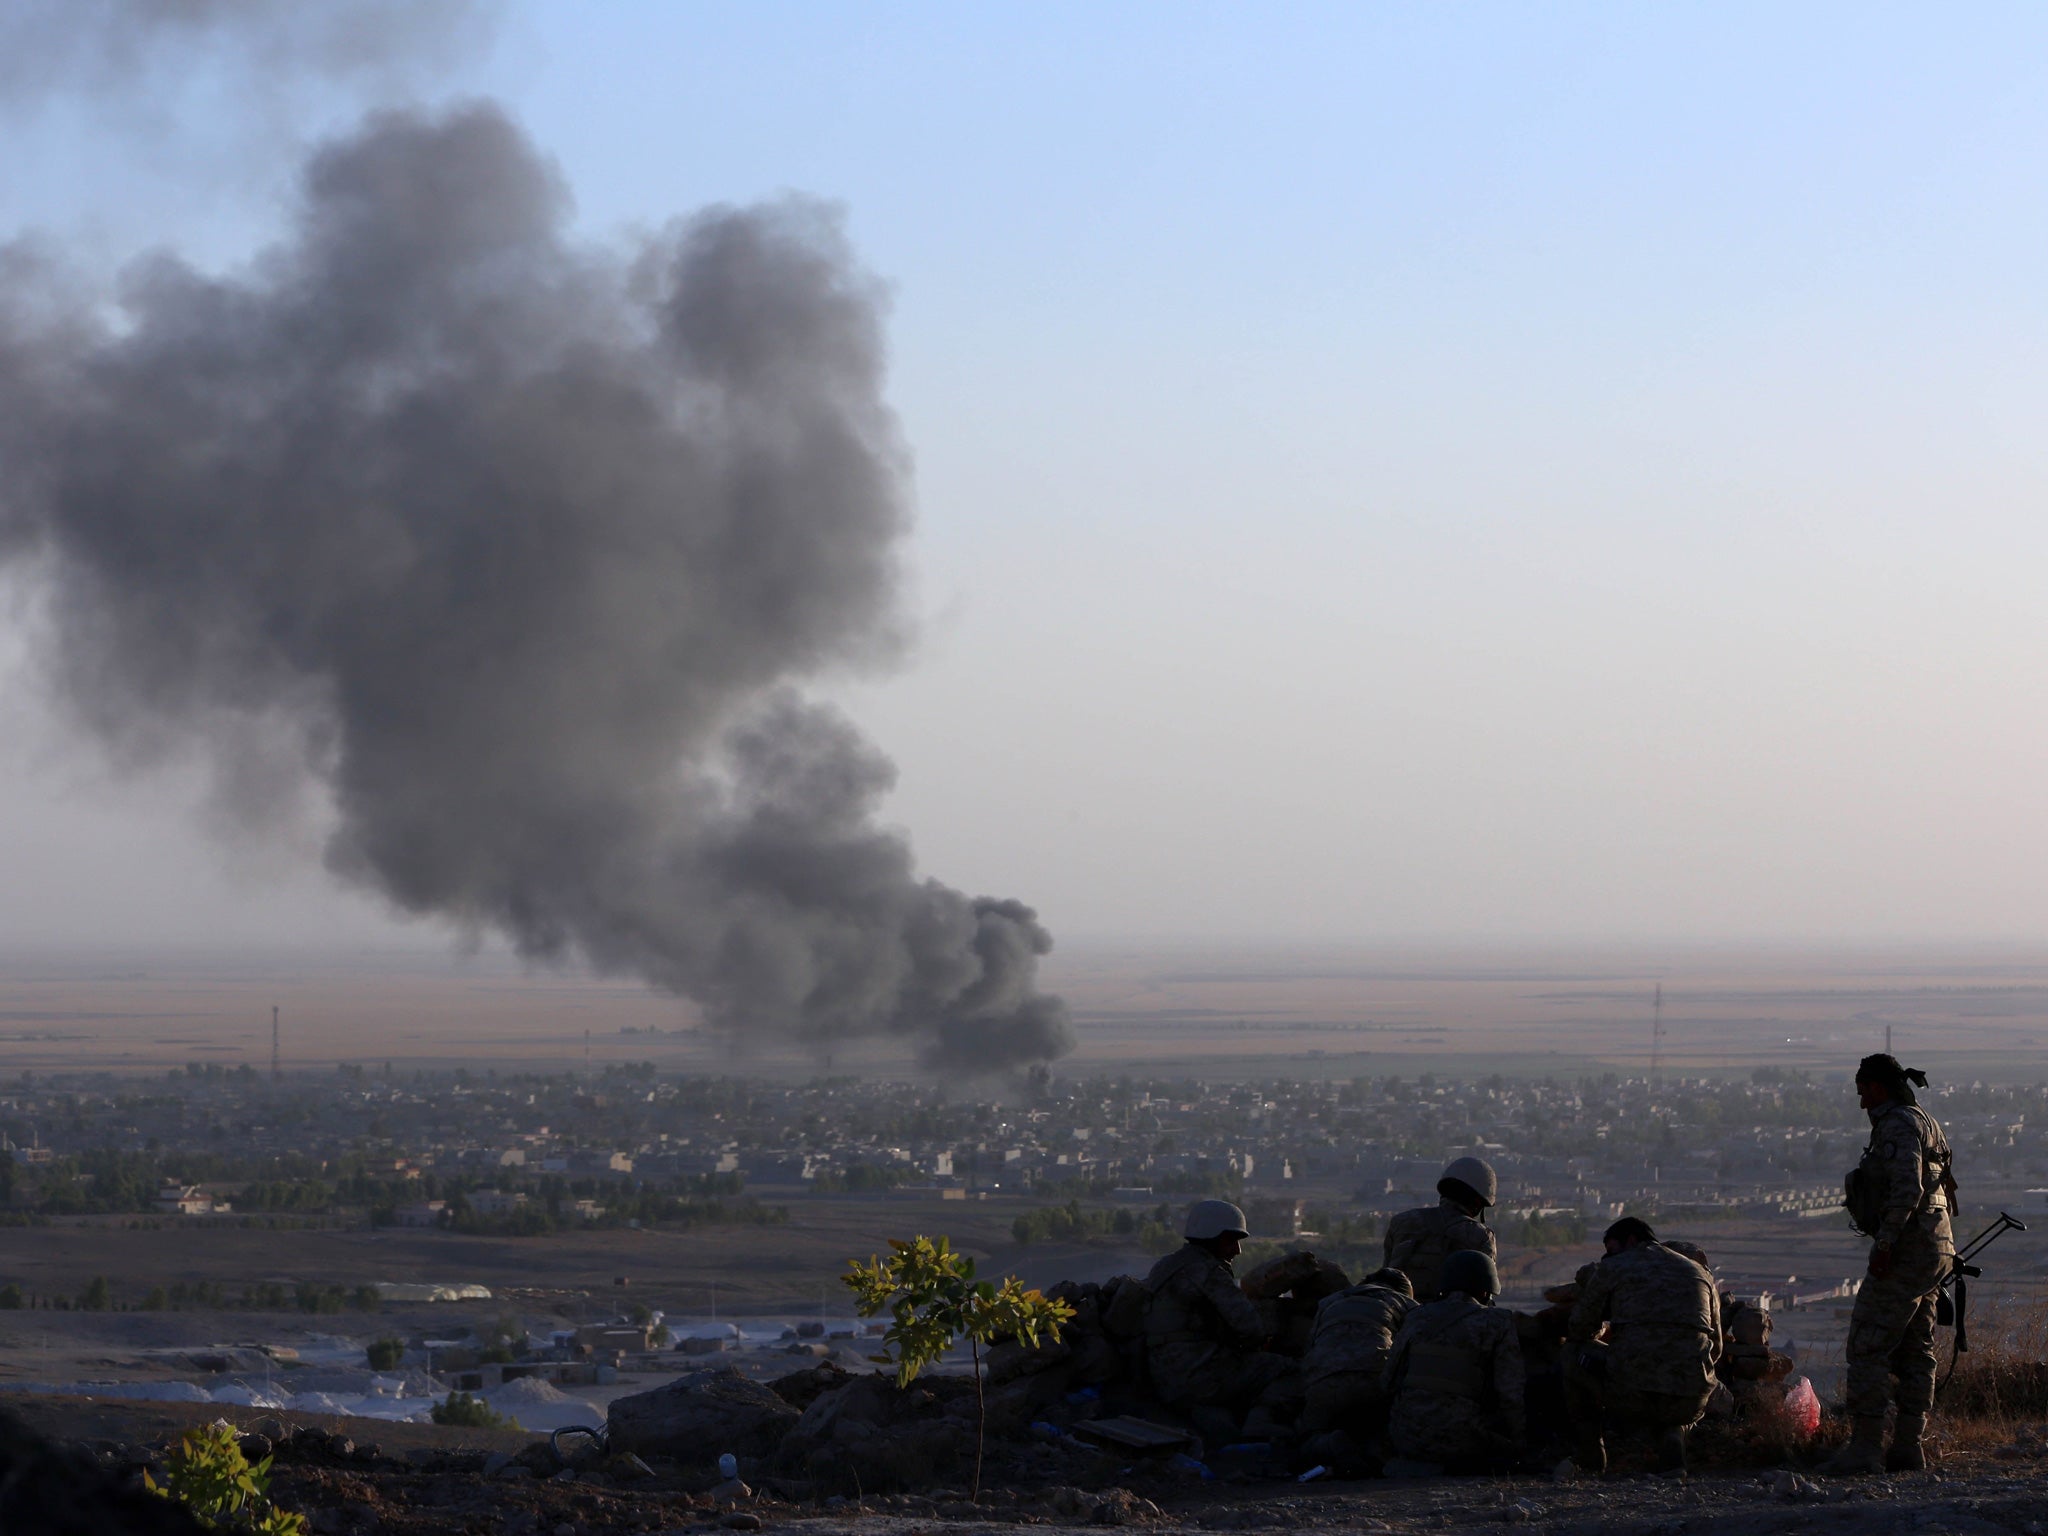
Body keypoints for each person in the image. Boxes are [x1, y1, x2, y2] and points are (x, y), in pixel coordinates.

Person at [1824, 1054, 1955, 1476]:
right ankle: (1907, 1448)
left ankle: (1864, 1449)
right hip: (1936, 1247)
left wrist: (1885, 1242)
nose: (1861, 1102)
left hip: (1907, 1249)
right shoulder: (1925, 1120)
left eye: (1863, 1090)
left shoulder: (1898, 1123)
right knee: (1917, 1348)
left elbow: (1907, 1188)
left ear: (1878, 1087)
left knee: (1868, 1343)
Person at [1566, 1216, 1721, 1473]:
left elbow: (1578, 1329)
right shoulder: (1699, 1273)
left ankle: (1592, 1458)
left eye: (1612, 1250)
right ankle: (1675, 1432)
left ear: (1631, 1240)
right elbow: (1715, 1348)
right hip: (1690, 1399)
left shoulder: (1615, 1268)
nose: (1608, 1258)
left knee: (1571, 1354)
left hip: (1632, 1395)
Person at [1142, 1199, 1299, 1432]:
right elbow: (1250, 1328)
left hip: (1163, 1378)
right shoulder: (1209, 1272)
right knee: (1288, 1370)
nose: (1237, 1250)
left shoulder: (1165, 1266)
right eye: (1231, 1241)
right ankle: (1260, 1427)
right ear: (1212, 1237)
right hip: (1200, 1375)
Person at [1383, 1249, 1524, 1474]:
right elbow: (1510, 1393)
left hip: (1407, 1438)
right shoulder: (1497, 1321)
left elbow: (1389, 1379)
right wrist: (1518, 1440)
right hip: (1462, 1441)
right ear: (1486, 1289)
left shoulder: (1417, 1317)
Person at [1299, 1267, 1417, 1441]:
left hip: (1322, 1384)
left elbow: (1310, 1348)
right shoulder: (1407, 1305)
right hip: (1373, 1386)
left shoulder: (1330, 1302)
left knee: (1310, 1437)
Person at [1383, 1156, 1498, 1301]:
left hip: (1398, 1314)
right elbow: (1485, 1295)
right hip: (1449, 1319)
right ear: (1477, 1203)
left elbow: (1384, 1277)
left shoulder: (1402, 1222)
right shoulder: (1481, 1236)